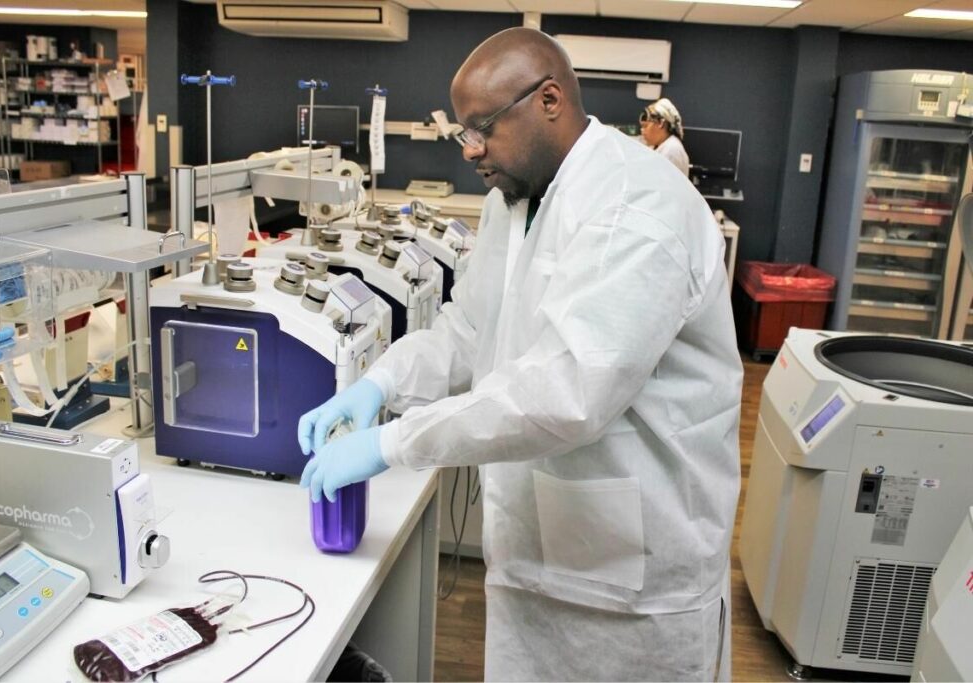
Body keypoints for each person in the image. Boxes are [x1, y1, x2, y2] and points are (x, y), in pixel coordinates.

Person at [299, 27, 742, 682]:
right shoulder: (515, 198)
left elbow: (568, 393)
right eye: (462, 131)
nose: (470, 148)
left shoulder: (638, 205)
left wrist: (393, 443)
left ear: (550, 101)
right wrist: (380, 383)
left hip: (637, 586)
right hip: (540, 550)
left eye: (483, 127)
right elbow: (469, 327)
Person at [640, 97, 690, 177]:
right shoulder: (661, 146)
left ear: (661, 123)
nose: (642, 131)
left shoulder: (672, 150)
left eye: (645, 126)